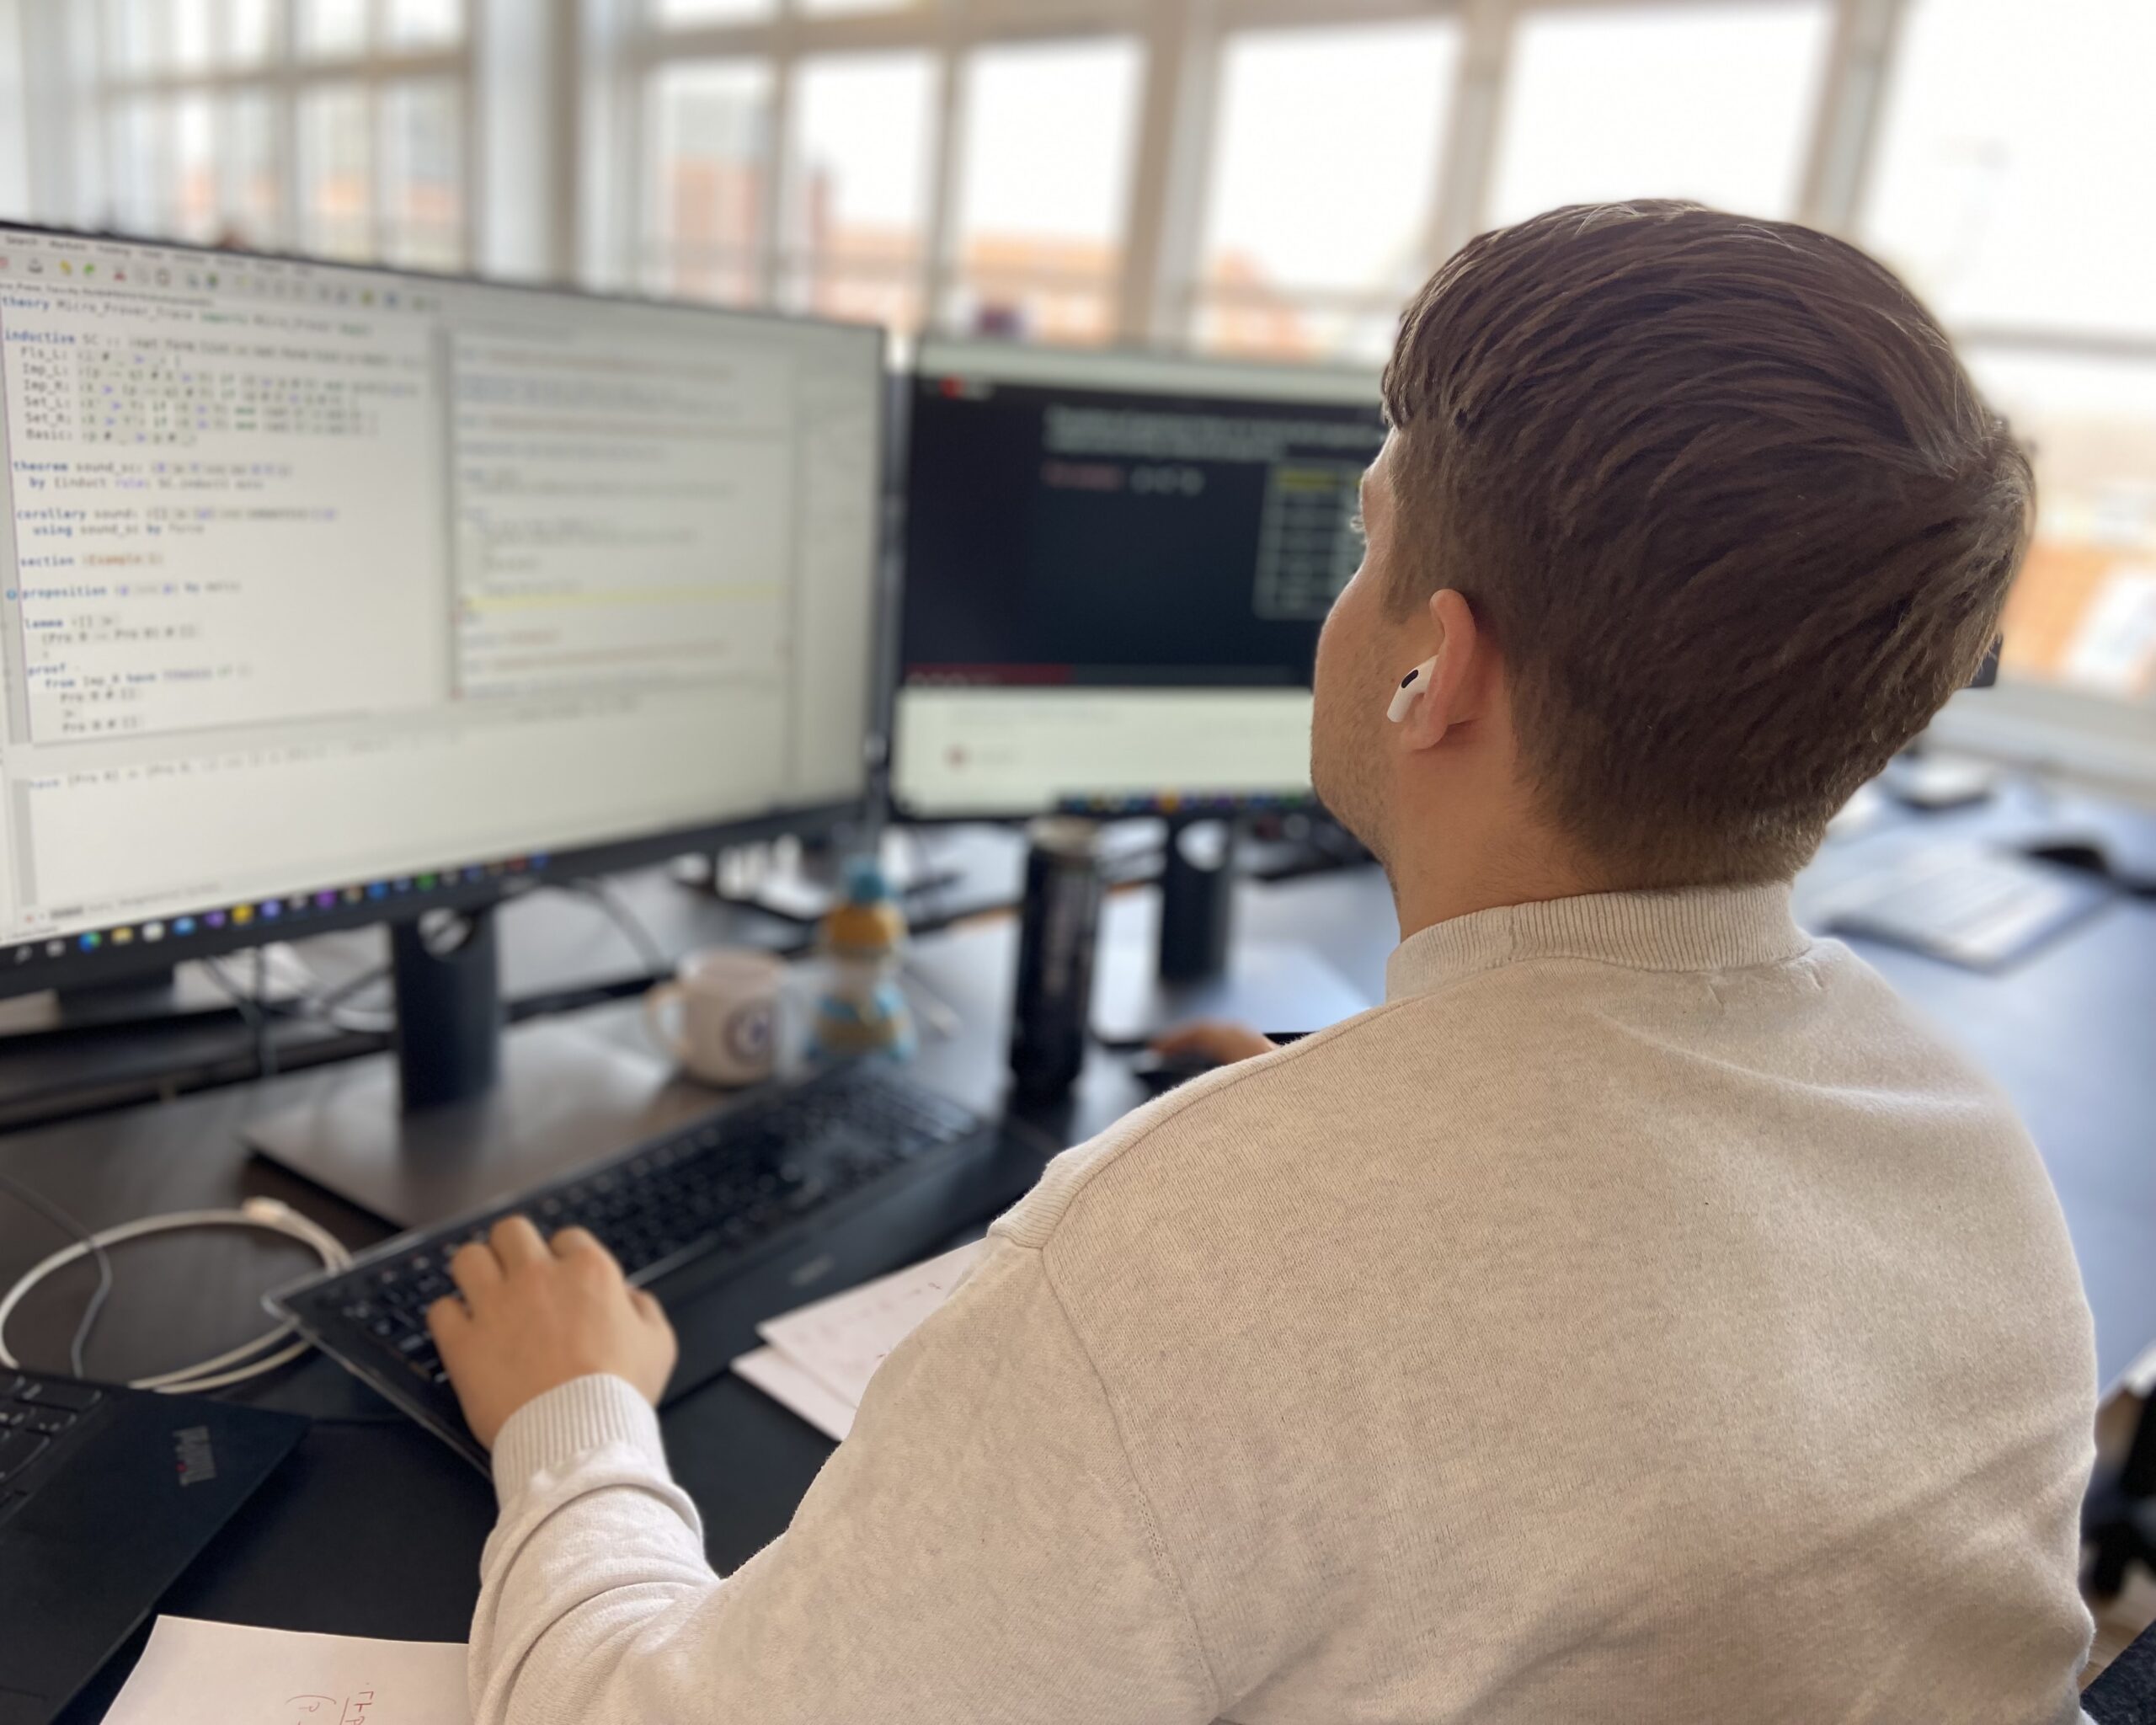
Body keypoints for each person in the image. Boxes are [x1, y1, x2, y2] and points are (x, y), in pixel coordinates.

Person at [426, 201, 2097, 1724]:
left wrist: (573, 1412)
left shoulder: (1182, 1264)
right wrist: (1332, 1153)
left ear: (1435, 671)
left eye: (1368, 546)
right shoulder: (1959, 1142)